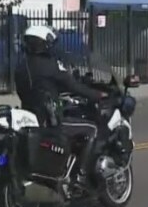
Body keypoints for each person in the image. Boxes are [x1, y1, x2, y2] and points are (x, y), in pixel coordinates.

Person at [14, 25, 107, 190]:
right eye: (48, 43)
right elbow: (73, 86)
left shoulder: (20, 67)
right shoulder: (50, 66)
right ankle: (80, 175)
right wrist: (97, 95)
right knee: (92, 129)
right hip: (50, 120)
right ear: (42, 44)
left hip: (30, 117)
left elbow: (39, 87)